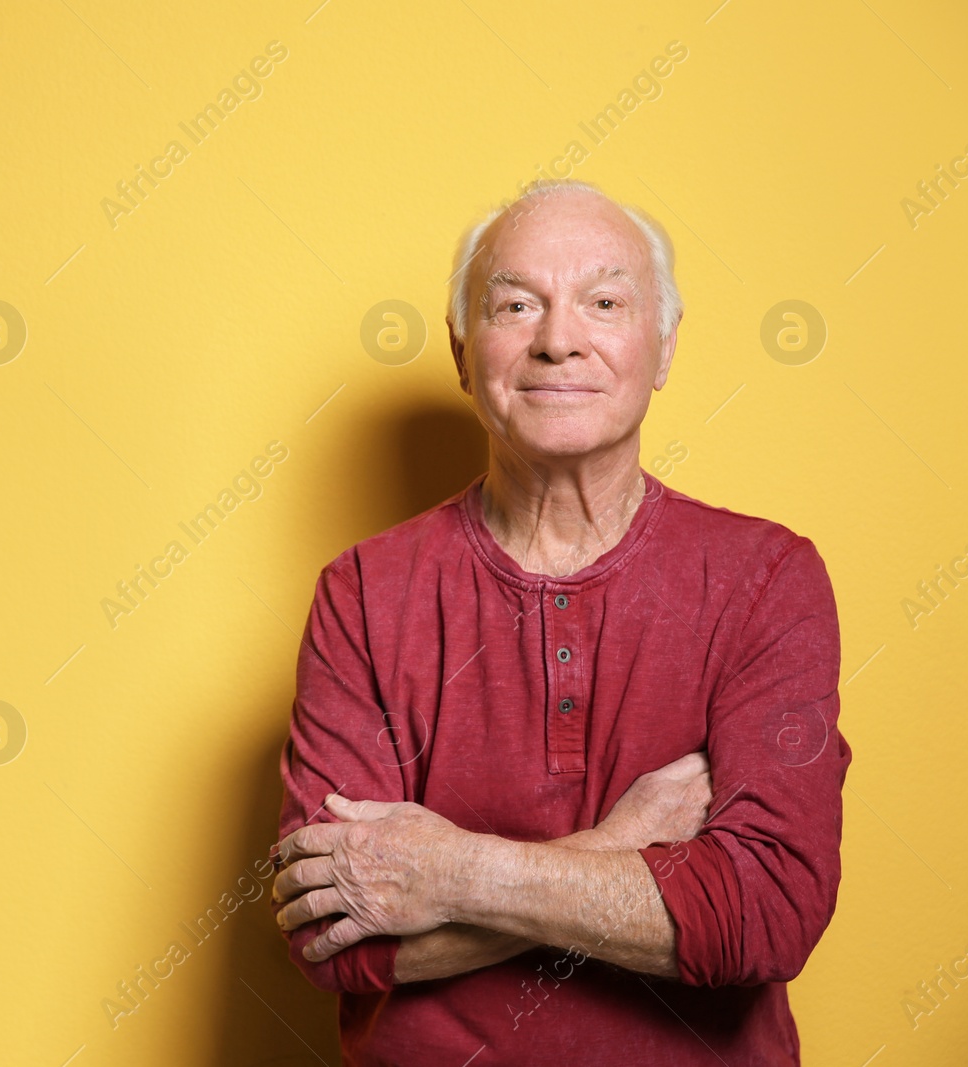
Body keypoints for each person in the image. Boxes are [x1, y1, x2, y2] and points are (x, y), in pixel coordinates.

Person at [270, 179, 850, 1064]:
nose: (558, 339)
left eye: (604, 302)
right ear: (465, 353)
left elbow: (765, 913)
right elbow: (334, 940)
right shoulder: (361, 590)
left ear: (662, 345)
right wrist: (624, 844)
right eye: (515, 305)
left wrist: (452, 873)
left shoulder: (768, 577)